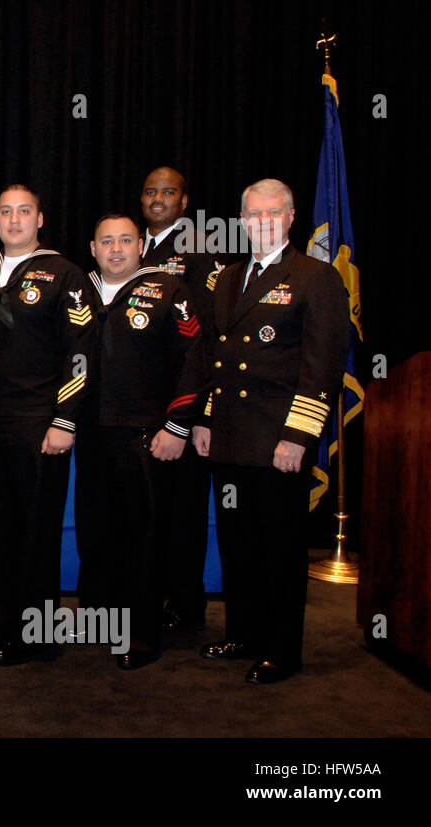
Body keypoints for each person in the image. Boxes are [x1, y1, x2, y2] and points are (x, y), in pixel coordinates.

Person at [193, 179, 348, 684]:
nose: (262, 221)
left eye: (272, 212)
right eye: (252, 213)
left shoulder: (315, 277)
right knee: (238, 544)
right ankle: (242, 632)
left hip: (278, 439)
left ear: (291, 216)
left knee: (279, 548)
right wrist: (206, 419)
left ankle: (281, 650)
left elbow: (321, 368)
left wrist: (299, 438)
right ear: (240, 219)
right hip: (232, 438)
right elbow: (217, 360)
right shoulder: (228, 278)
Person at [0, 185, 95, 665]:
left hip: (39, 423)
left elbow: (80, 353)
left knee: (34, 530)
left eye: (25, 212)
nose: (14, 220)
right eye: (5, 212)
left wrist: (65, 420)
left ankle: (36, 634)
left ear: (40, 220)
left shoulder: (65, 274)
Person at [74, 213, 208, 669]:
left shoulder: (170, 291)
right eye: (106, 240)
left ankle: (142, 634)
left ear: (139, 247)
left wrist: (178, 426)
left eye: (125, 241)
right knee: (96, 533)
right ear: (92, 248)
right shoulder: (79, 291)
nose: (116, 249)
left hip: (147, 437)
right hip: (91, 434)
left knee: (144, 539)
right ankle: (99, 620)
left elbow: (195, 359)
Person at [140, 166, 227, 632]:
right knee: (150, 510)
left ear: (185, 202)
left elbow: (208, 340)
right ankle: (151, 596)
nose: (158, 199)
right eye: (151, 192)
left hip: (183, 404)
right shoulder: (131, 247)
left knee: (183, 512)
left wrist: (198, 414)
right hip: (141, 406)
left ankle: (186, 605)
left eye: (168, 192)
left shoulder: (201, 251)